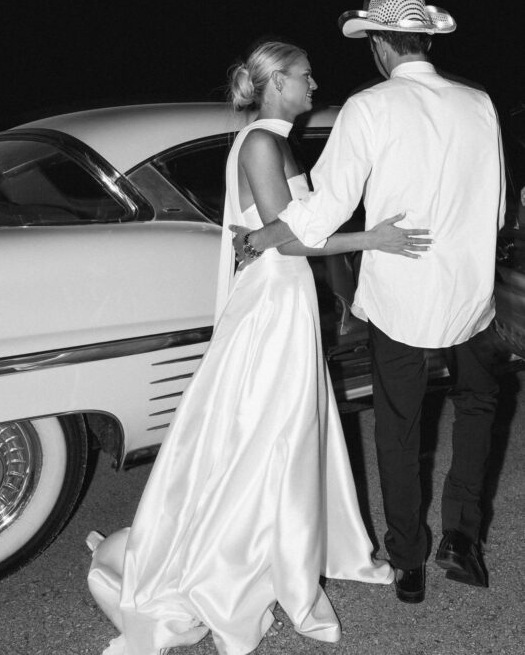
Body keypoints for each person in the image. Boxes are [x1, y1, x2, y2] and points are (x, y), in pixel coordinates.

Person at [86, 39, 432, 655]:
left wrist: (275, 232)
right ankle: (246, 554)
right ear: (275, 83)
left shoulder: (268, 140)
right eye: (303, 75)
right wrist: (372, 238)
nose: (314, 84)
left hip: (282, 293)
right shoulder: (265, 143)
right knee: (271, 429)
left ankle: (270, 541)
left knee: (271, 427)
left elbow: (279, 229)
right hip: (275, 297)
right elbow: (294, 240)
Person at [232, 0, 506, 606]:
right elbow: (491, 212)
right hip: (470, 292)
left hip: (400, 296)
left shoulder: (369, 106)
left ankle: (408, 560)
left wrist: (268, 232)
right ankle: (464, 539)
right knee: (479, 407)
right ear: (427, 40)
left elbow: (326, 206)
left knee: (399, 428)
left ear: (380, 45)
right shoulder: (480, 103)